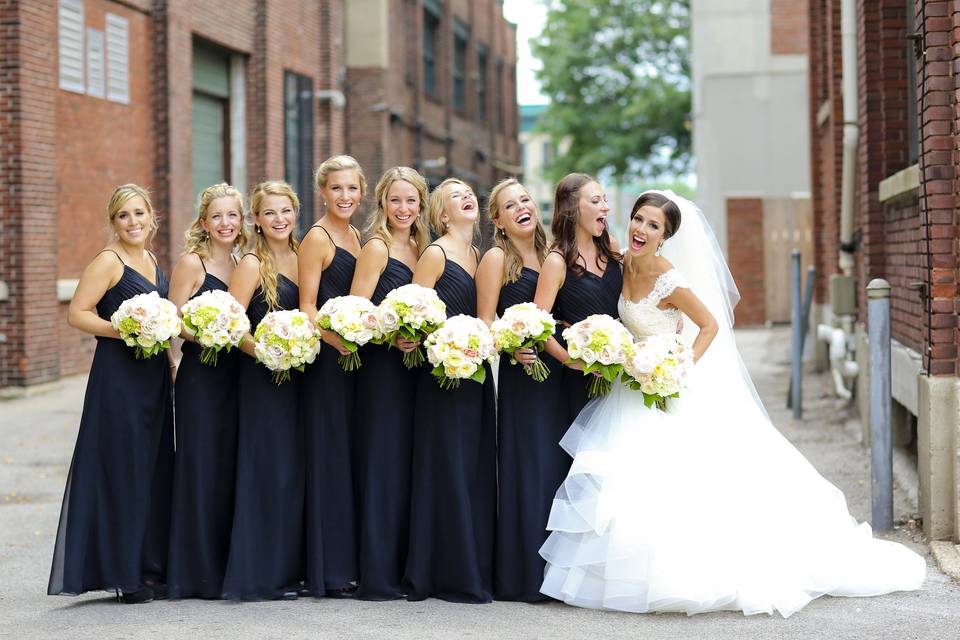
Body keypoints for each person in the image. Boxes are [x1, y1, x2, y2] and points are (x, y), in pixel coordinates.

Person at [539, 190, 927, 617]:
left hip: (662, 384)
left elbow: (708, 325)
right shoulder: (622, 260)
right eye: (638, 219)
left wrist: (677, 364)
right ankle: (631, 573)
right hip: (630, 388)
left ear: (666, 236)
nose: (641, 229)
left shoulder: (669, 278)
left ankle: (687, 572)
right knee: (633, 477)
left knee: (683, 480)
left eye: (654, 226)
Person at [48, 184, 173, 604]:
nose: (133, 222)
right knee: (123, 468)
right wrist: (123, 329)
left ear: (151, 217)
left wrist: (170, 361)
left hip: (152, 375)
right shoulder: (109, 261)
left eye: (139, 213)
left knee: (151, 467)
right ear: (113, 222)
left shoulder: (152, 259)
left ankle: (148, 565)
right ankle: (125, 573)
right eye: (123, 215)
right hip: (119, 378)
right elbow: (77, 313)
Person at [404, 178, 496, 603]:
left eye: (469, 194)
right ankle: (442, 572)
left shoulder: (478, 254)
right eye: (455, 196)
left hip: (474, 377)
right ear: (442, 214)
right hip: (440, 378)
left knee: (472, 469)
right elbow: (415, 315)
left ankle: (470, 564)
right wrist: (440, 342)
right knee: (446, 470)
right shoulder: (434, 254)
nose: (467, 199)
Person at [475, 178, 566, 602]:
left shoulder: (553, 255)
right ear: (498, 220)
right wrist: (512, 347)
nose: (520, 208)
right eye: (510, 206)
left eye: (525, 200)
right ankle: (524, 576)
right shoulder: (497, 258)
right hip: (523, 376)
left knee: (556, 470)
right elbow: (485, 319)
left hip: (559, 376)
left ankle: (561, 572)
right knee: (527, 470)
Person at [222, 181, 304, 600]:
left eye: (285, 211)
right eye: (269, 213)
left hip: (298, 380)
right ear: (256, 218)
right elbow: (231, 326)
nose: (279, 219)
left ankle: (289, 567)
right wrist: (266, 353)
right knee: (266, 470)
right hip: (262, 378)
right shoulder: (253, 263)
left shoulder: (301, 254)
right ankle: (261, 572)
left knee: (291, 472)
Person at [350, 166, 430, 600]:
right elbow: (357, 313)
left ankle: (405, 566)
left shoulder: (422, 247)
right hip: (383, 372)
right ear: (383, 203)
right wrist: (391, 334)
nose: (403, 208)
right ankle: (377, 574)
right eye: (396, 200)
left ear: (421, 205)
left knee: (407, 467)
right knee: (383, 465)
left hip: (416, 370)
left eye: (411, 201)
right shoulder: (376, 248)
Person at [166, 183, 248, 599]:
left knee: (230, 468)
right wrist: (203, 336)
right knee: (200, 468)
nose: (225, 223)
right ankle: (195, 571)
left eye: (232, 215)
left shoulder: (244, 263)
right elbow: (172, 320)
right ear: (203, 222)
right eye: (216, 216)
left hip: (237, 377)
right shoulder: (191, 264)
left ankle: (226, 563)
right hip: (202, 377)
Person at [297, 155, 366, 597]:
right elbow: (305, 305)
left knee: (351, 456)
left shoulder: (358, 236)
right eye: (336, 189)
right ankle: (327, 568)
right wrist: (333, 339)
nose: (344, 196)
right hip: (327, 361)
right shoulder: (316, 239)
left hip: (357, 360)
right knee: (328, 457)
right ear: (322, 192)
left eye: (352, 189)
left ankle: (351, 560)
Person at [533, 173, 622, 423]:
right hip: (581, 377)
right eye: (596, 201)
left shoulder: (612, 247)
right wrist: (573, 362)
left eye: (605, 200)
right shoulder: (556, 261)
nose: (605, 206)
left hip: (620, 369)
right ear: (572, 207)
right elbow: (538, 327)